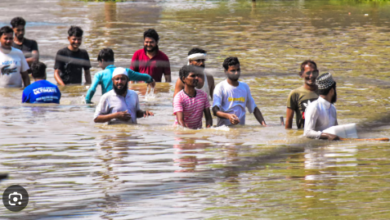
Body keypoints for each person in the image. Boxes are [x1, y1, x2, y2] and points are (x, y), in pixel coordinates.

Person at [85, 48, 155, 104]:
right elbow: (144, 76)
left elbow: (92, 89)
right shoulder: (125, 72)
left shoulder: (100, 74)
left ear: (102, 61)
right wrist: (150, 80)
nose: (99, 65)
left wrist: (88, 102)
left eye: (99, 63)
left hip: (108, 103)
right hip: (123, 103)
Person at [212, 57, 266, 127]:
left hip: (241, 130)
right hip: (225, 130)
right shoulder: (220, 87)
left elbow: (254, 109)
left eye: (238, 70)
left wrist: (263, 124)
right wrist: (228, 116)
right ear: (226, 71)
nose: (236, 73)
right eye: (233, 71)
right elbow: (215, 110)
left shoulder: (244, 87)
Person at [173, 65, 212, 129]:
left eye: (197, 76)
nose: (196, 78)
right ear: (184, 79)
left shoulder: (203, 95)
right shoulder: (179, 97)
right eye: (193, 76)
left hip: (197, 131)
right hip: (181, 133)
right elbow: (180, 122)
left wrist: (207, 132)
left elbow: (208, 119)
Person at [304, 73, 339, 140]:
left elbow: (336, 130)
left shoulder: (333, 108)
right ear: (332, 91)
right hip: (315, 149)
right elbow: (307, 132)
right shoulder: (314, 107)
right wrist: (327, 136)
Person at [285, 60, 319, 129]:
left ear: (317, 73)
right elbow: (289, 120)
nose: (311, 76)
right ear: (301, 74)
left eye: (314, 72)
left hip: (322, 134)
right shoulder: (295, 94)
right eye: (308, 73)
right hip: (303, 134)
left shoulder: (324, 92)